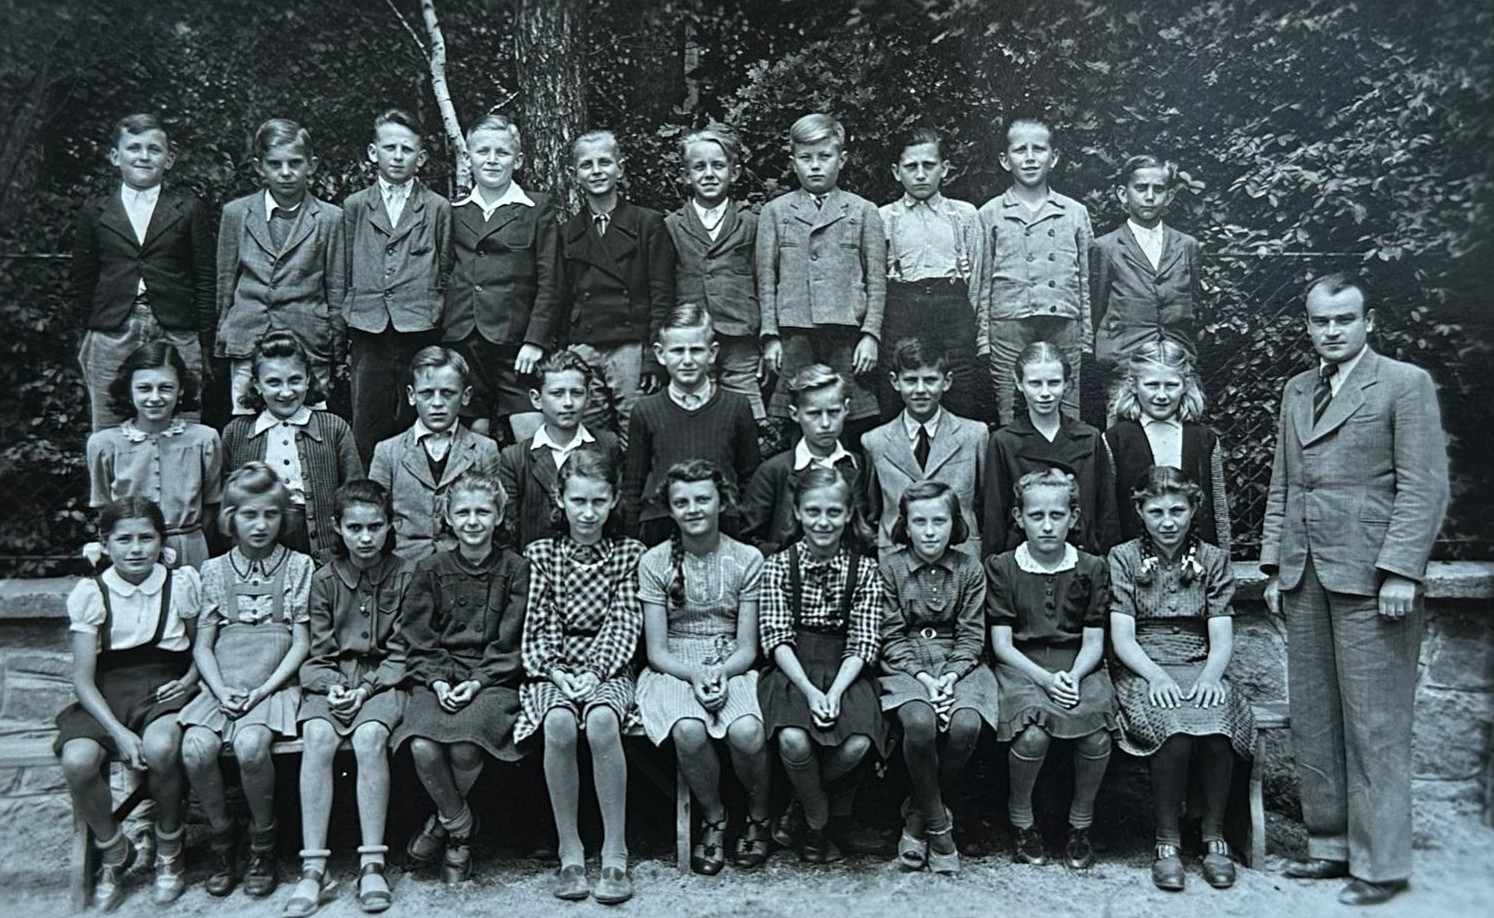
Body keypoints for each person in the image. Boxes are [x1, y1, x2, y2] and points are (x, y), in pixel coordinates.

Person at [1261, 273, 1449, 907]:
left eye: (1344, 319)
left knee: (1375, 725)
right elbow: (1285, 483)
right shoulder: (1296, 389)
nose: (1332, 330)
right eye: (1320, 320)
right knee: (1316, 719)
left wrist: (1401, 570)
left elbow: (1423, 486)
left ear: (1369, 322)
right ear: (1307, 325)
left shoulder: (1403, 383)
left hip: (1372, 579)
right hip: (1305, 574)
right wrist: (1273, 566)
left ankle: (1380, 864)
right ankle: (1329, 844)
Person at [1108, 467, 1253, 892]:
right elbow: (1122, 637)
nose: (1167, 521)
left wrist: (1211, 676)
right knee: (1174, 729)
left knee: (1219, 723)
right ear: (1141, 512)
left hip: (1199, 661)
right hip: (1144, 665)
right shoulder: (1123, 557)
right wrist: (1154, 675)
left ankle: (1214, 837)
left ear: (1193, 510)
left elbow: (1221, 634)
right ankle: (1167, 841)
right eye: (1156, 511)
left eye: (1177, 510)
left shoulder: (1213, 559)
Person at [55, 498, 200, 909]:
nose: (136, 549)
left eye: (146, 538)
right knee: (78, 761)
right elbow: (82, 679)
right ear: (105, 543)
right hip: (107, 693)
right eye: (124, 540)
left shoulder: (180, 584)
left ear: (161, 541)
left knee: (161, 747)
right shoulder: (93, 592)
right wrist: (117, 733)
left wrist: (187, 681)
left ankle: (169, 847)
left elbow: (200, 651)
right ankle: (115, 849)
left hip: (167, 685)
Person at [178, 463, 314, 899]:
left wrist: (263, 690)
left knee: (252, 746)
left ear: (283, 518)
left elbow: (301, 642)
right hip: (224, 681)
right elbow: (203, 646)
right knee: (195, 749)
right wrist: (219, 690)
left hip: (272, 682)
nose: (260, 525)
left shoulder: (299, 566)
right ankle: (222, 841)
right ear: (230, 518)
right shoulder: (214, 570)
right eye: (249, 515)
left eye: (270, 515)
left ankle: (262, 844)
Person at [516, 448, 645, 904]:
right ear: (560, 499)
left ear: (613, 501)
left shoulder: (628, 554)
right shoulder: (541, 554)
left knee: (604, 720)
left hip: (609, 663)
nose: (588, 513)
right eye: (578, 501)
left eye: (598, 501)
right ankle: (569, 851)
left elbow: (624, 623)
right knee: (558, 722)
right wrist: (557, 672)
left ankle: (615, 850)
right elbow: (537, 623)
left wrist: (593, 673)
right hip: (552, 667)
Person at [635, 460, 773, 874]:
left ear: (721, 502)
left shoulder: (747, 558)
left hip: (731, 661)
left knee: (747, 731)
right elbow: (656, 650)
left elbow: (748, 647)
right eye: (682, 502)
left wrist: (722, 673)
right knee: (688, 729)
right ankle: (714, 818)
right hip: (674, 666)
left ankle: (759, 815)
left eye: (702, 499)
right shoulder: (654, 562)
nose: (693, 509)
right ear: (670, 509)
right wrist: (694, 675)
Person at [394, 471, 529, 885]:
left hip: (492, 680)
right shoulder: (430, 568)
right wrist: (437, 681)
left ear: (499, 516)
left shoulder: (515, 569)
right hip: (438, 674)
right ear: (448, 517)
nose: (473, 521)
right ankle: (461, 825)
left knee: (466, 746)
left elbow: (511, 642)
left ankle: (444, 830)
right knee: (422, 745)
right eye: (463, 512)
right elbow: (418, 636)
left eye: (483, 512)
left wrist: (476, 683)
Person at [288, 479, 414, 915]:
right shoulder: (324, 580)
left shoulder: (406, 574)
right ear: (337, 528)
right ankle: (313, 867)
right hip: (332, 680)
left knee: (369, 738)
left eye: (375, 527)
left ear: (390, 525)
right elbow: (318, 651)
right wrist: (334, 687)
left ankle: (372, 863)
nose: (365, 538)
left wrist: (365, 689)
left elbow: (404, 651)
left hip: (384, 681)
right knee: (318, 737)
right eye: (355, 528)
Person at [986, 468, 1116, 871]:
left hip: (1078, 664)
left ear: (1073, 518)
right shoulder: (1003, 567)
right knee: (1032, 736)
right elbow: (1002, 645)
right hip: (1022, 666)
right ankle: (1021, 820)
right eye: (1036, 515)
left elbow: (1093, 641)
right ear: (1018, 517)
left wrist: (1073, 677)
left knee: (1096, 736)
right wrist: (1045, 680)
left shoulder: (1091, 567)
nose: (1046, 526)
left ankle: (1080, 825)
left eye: (1057, 515)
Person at [757, 465, 887, 864]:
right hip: (793, 667)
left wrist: (835, 691)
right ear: (797, 512)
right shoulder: (779, 565)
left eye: (833, 512)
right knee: (793, 740)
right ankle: (817, 821)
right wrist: (812, 692)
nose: (823, 521)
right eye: (813, 511)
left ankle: (799, 803)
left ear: (848, 514)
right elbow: (776, 638)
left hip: (846, 668)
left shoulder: (864, 569)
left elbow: (864, 641)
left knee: (858, 742)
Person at [877, 480, 996, 875]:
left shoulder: (969, 568)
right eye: (920, 522)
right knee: (919, 722)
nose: (930, 532)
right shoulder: (890, 568)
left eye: (939, 521)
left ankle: (917, 817)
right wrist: (925, 678)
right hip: (906, 663)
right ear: (905, 525)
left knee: (966, 725)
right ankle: (940, 831)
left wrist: (950, 675)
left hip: (960, 663)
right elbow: (891, 636)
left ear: (954, 523)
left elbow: (972, 634)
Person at [74, 113, 215, 432]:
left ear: (169, 159)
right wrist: (92, 327)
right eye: (134, 148)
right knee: (109, 421)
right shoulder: (96, 211)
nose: (144, 156)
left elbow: (205, 278)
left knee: (183, 422)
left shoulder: (189, 209)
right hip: (114, 328)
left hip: (176, 327)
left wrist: (205, 341)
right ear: (115, 156)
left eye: (154, 149)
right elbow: (83, 278)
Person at [757, 113, 887, 435]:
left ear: (841, 160)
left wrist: (870, 335)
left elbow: (877, 280)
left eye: (825, 157)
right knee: (797, 414)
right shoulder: (775, 212)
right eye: (806, 158)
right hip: (794, 333)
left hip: (846, 333)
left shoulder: (863, 210)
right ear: (793, 163)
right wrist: (771, 336)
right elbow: (766, 279)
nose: (815, 166)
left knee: (853, 417)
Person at [343, 109, 454, 462]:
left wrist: (435, 315)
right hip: (369, 327)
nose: (397, 156)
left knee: (416, 416)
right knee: (367, 419)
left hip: (418, 327)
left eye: (407, 149)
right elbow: (345, 269)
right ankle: (367, 491)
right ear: (373, 152)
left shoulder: (437, 208)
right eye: (389, 148)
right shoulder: (356, 206)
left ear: (420, 158)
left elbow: (445, 269)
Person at [444, 113, 560, 443]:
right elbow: (444, 272)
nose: (492, 160)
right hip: (464, 337)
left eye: (502, 152)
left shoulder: (536, 207)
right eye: (483, 151)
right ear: (468, 157)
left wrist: (536, 340)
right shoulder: (454, 210)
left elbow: (551, 279)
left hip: (516, 343)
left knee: (530, 431)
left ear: (518, 160)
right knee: (472, 433)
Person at [216, 118, 345, 415]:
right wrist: (223, 339)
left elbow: (336, 288)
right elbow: (225, 282)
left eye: (295, 163)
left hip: (309, 341)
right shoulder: (236, 214)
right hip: (248, 339)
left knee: (311, 426)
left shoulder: (330, 218)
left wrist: (336, 351)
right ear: (259, 167)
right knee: (247, 423)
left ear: (311, 165)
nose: (286, 172)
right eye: (275, 164)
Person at [558, 130, 675, 446]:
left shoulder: (647, 223)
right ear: (574, 175)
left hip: (631, 346)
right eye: (587, 165)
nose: (596, 171)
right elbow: (560, 298)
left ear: (620, 169)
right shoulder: (568, 232)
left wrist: (653, 357)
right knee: (588, 438)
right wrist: (566, 351)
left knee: (636, 434)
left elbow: (662, 295)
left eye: (604, 162)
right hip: (584, 346)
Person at [976, 117, 1092, 425]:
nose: (1029, 158)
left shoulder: (1075, 212)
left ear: (1053, 157)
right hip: (1008, 324)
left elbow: (1085, 281)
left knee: (1067, 411)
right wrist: (983, 339)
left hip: (1064, 322)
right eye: (1020, 150)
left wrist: (1087, 338)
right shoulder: (989, 213)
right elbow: (983, 281)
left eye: (1038, 149)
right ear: (1005, 160)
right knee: (1009, 410)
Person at [875, 127, 989, 422]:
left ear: (945, 169)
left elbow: (978, 281)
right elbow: (875, 279)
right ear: (896, 172)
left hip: (952, 312)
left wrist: (975, 331)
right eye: (911, 167)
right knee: (896, 391)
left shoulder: (964, 215)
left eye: (929, 165)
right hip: (901, 310)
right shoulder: (883, 217)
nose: (920, 175)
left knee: (960, 389)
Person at [220, 330, 362, 564]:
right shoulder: (237, 433)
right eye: (274, 382)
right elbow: (227, 500)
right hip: (261, 540)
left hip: (321, 545)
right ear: (257, 385)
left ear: (308, 379)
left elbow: (354, 493)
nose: (286, 392)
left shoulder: (334, 428)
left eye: (295, 380)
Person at [623, 304, 760, 544]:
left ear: (712, 353)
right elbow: (633, 484)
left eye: (696, 350)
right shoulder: (645, 411)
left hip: (723, 528)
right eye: (677, 351)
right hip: (661, 527)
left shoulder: (736, 407)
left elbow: (750, 478)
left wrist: (746, 532)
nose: (687, 360)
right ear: (660, 354)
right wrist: (633, 539)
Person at [86, 341, 223, 570]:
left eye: (166, 387)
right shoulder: (104, 444)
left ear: (181, 389)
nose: (155, 397)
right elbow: (104, 508)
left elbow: (211, 505)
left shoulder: (204, 439)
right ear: (129, 389)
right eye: (144, 388)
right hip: (132, 551)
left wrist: (189, 542)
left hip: (189, 549)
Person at [982, 342, 1119, 558]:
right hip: (1022, 562)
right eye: (1035, 383)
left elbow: (1107, 513)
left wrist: (1107, 565)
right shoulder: (1004, 441)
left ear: (1067, 384)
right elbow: (994, 518)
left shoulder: (1089, 438)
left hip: (1083, 560)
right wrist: (994, 567)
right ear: (1019, 383)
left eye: (1053, 383)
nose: (1045, 393)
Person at [665, 126, 765, 420]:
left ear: (734, 173)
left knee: (748, 413)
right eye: (699, 167)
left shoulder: (751, 223)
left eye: (718, 166)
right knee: (694, 412)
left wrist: (765, 339)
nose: (709, 174)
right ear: (686, 176)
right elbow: (663, 286)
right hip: (691, 339)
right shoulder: (671, 225)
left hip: (740, 336)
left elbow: (765, 282)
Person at [369, 346, 501, 560]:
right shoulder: (388, 451)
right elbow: (374, 517)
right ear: (412, 395)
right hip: (404, 566)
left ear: (465, 396)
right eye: (427, 393)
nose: (437, 403)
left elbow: (494, 516)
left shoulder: (484, 450)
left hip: (465, 564)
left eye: (448, 393)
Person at [861, 336, 986, 560]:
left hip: (960, 558)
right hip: (897, 561)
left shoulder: (974, 435)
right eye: (910, 380)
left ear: (947, 381)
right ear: (895, 381)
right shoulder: (874, 441)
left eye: (930, 380)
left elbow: (986, 504)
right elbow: (873, 509)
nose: (920, 390)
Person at [1104, 339, 1229, 549]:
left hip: (1196, 556)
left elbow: (1218, 510)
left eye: (1171, 385)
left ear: (1185, 385)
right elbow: (1109, 511)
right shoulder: (1116, 439)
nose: (1162, 395)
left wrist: (1223, 557)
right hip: (1133, 557)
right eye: (1152, 385)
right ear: (1133, 385)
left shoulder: (1203, 439)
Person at [497, 349, 623, 548]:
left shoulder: (607, 445)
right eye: (557, 394)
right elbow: (509, 528)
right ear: (536, 399)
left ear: (589, 398)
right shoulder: (515, 458)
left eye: (576, 393)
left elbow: (619, 513)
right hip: (536, 561)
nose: (568, 403)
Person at [741, 364, 870, 557]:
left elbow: (868, 529)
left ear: (846, 409)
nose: (825, 424)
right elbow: (750, 539)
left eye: (833, 412)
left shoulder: (858, 464)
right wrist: (789, 559)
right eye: (814, 414)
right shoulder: (774, 471)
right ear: (795, 414)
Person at [1089, 155, 1203, 371]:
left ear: (1169, 196)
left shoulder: (1187, 245)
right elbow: (1096, 307)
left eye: (1158, 189)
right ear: (1123, 194)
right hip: (1124, 359)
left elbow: (1194, 304)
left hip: (1176, 360)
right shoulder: (1105, 247)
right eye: (1141, 188)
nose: (1150, 197)